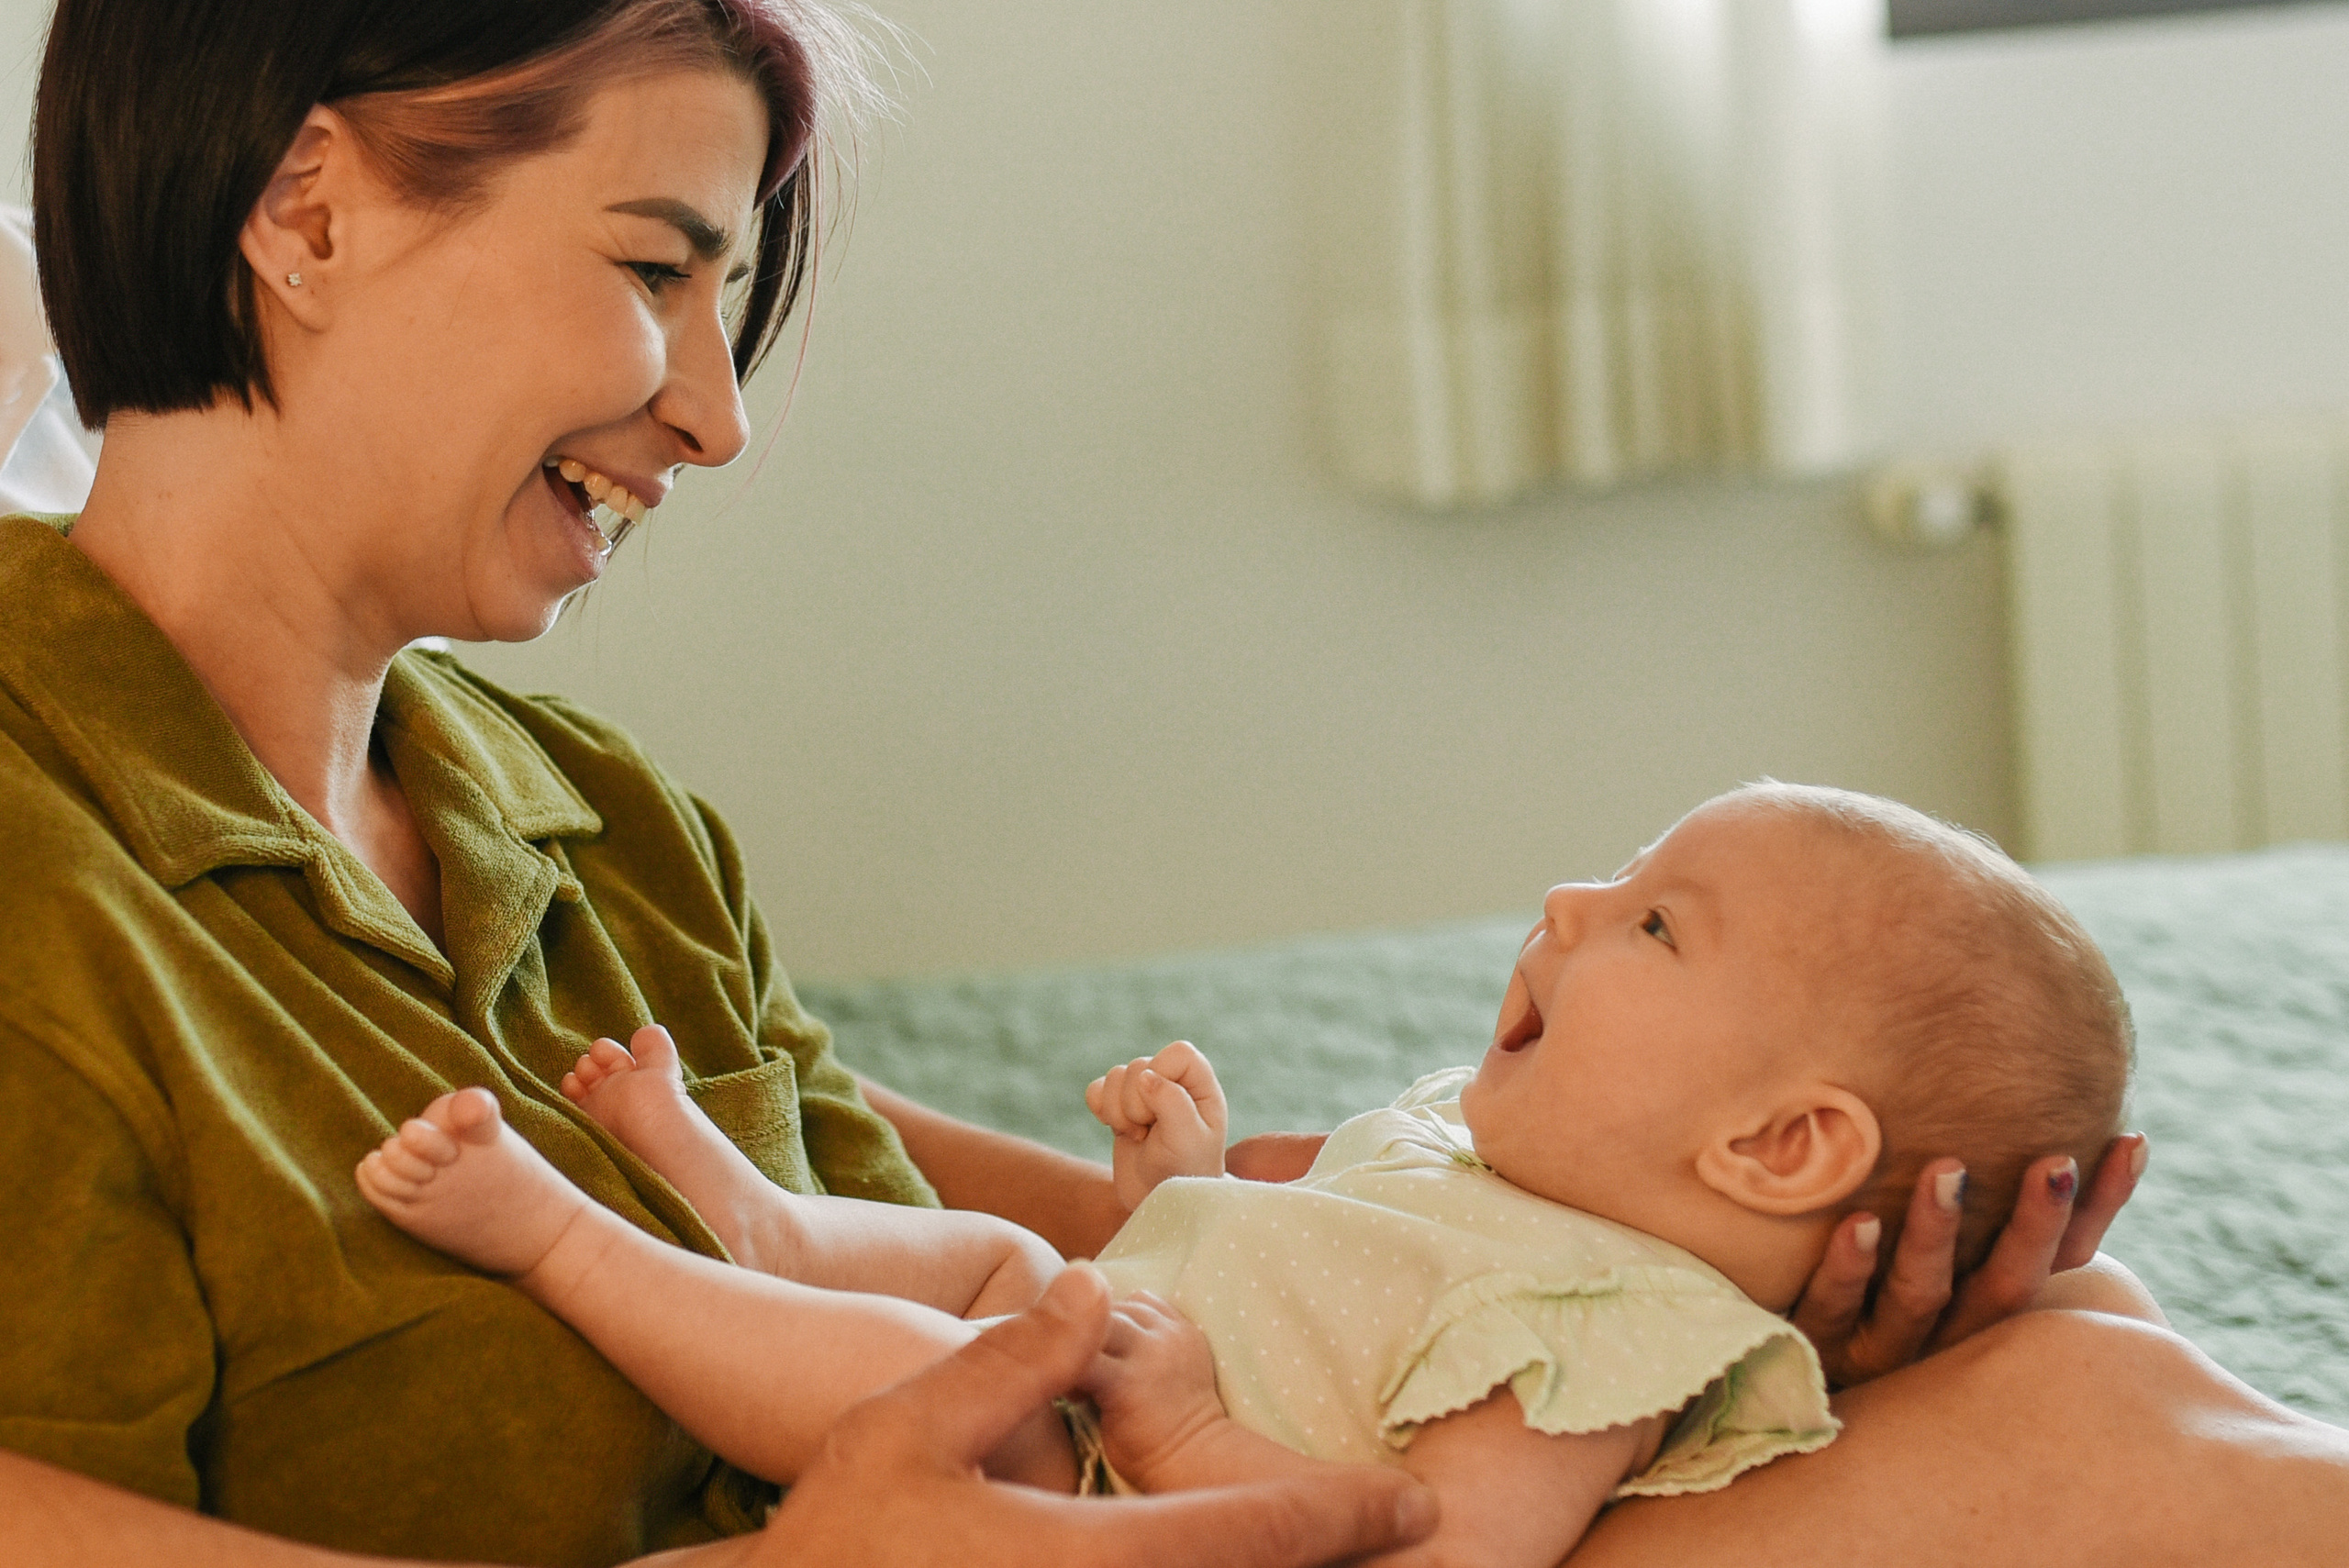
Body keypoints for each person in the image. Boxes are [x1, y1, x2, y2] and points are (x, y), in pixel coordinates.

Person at [4, 0, 2344, 1562]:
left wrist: (1605, 1239)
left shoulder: (573, 806)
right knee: (2096, 1463)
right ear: (308, 210)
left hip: (1127, 1453)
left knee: (2062, 1351)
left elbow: (856, 1158)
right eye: (654, 268)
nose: (714, 416)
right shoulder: (41, 865)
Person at [350, 782, 2131, 1568]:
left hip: (1103, 1496)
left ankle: (567, 1240)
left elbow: (1429, 1543)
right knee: (993, 1259)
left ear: (1775, 1145)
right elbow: (1303, 1276)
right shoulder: (1487, 1162)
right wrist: (1181, 1190)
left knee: (942, 1366)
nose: (1568, 904)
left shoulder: (1605, 1331)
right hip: (1112, 1352)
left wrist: (1193, 1431)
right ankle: (754, 1214)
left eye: (1655, 924)